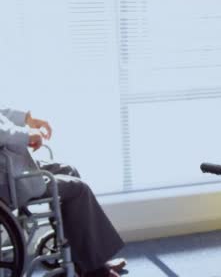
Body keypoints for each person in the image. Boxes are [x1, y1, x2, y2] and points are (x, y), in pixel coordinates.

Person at [0, 107, 126, 277]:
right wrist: (27, 134)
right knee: (78, 189)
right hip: (7, 182)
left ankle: (86, 259)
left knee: (69, 170)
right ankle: (94, 271)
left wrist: (26, 118)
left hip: (12, 168)